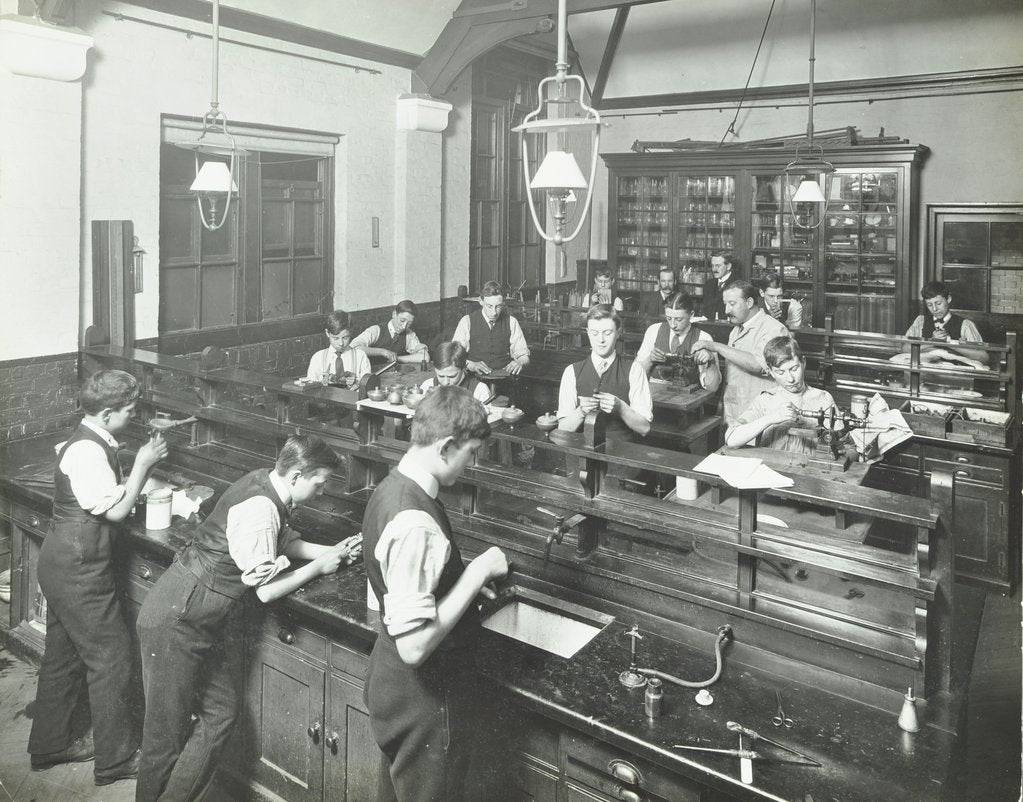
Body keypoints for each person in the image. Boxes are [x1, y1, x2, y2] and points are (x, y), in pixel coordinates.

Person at [135, 435, 360, 802]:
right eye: (320, 484)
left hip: (199, 615)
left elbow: (279, 542)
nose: (322, 493)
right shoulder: (261, 506)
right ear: (297, 475)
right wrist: (319, 567)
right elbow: (266, 590)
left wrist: (334, 551)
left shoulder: (267, 481)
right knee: (165, 734)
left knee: (221, 713)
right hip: (177, 617)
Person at [362, 386, 509, 802]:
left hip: (391, 682)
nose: (472, 464)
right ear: (446, 447)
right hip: (421, 696)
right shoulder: (415, 521)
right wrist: (477, 571)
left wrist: (459, 580)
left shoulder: (393, 488)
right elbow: (414, 646)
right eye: (471, 453)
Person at [27, 369, 168, 786]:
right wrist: (143, 464)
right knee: (113, 659)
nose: (134, 416)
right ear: (107, 413)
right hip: (79, 571)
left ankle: (49, 745)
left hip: (63, 562)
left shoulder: (90, 438)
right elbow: (116, 511)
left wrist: (133, 478)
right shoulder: (87, 452)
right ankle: (116, 760)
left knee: (64, 656)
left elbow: (103, 494)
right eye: (129, 411)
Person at [692, 280, 789, 426]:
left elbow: (759, 364)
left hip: (759, 415)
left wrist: (716, 346)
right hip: (733, 411)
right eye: (726, 304)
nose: (726, 310)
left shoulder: (774, 329)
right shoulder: (736, 330)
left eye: (732, 304)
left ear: (749, 302)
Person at [725, 336, 836, 455]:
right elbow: (731, 439)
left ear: (803, 363)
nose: (790, 379)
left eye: (794, 369)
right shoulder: (766, 400)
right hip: (771, 469)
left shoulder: (823, 399)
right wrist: (771, 418)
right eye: (780, 372)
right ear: (771, 372)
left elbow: (846, 447)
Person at [557, 304, 652, 440]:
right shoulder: (571, 372)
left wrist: (621, 407)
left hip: (620, 455)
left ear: (618, 333)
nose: (600, 340)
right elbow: (564, 429)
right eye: (595, 333)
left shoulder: (635, 370)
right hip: (581, 454)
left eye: (607, 333)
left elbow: (644, 428)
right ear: (588, 333)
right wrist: (581, 411)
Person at [635, 292, 721, 392]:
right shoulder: (653, 331)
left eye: (679, 319)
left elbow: (712, 387)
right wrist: (650, 359)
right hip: (654, 395)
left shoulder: (704, 338)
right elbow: (635, 376)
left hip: (687, 399)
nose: (673, 325)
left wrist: (711, 362)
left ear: (691, 315)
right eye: (669, 318)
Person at [452, 280, 530, 376]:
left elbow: (524, 355)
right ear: (481, 301)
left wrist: (520, 362)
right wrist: (472, 365)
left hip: (504, 377)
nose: (494, 312)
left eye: (498, 306)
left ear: (503, 303)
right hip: (475, 378)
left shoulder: (512, 322)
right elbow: (454, 356)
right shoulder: (467, 321)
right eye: (489, 306)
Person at [904, 281, 987, 364]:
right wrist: (932, 342)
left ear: (948, 299)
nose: (934, 309)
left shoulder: (965, 325)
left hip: (953, 373)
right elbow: (904, 349)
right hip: (925, 372)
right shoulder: (920, 321)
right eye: (929, 305)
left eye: (938, 303)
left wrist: (951, 343)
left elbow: (983, 357)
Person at [352, 299, 430, 367]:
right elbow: (353, 348)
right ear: (394, 314)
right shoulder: (376, 330)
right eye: (402, 320)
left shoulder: (409, 334)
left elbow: (425, 357)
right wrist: (383, 352)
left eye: (409, 323)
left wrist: (397, 359)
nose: (404, 326)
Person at [306, 309, 372, 385]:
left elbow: (367, 386)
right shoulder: (318, 358)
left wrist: (356, 382)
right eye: (335, 338)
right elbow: (310, 387)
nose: (341, 343)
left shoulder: (360, 356)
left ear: (350, 333)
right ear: (327, 333)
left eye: (345, 338)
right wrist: (322, 383)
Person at [420, 341, 492, 404]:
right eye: (441, 376)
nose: (445, 382)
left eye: (452, 376)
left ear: (464, 368)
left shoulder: (479, 390)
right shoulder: (427, 386)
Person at [701, 251, 739, 321]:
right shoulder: (708, 284)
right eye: (712, 265)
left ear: (728, 266)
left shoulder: (737, 285)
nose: (714, 269)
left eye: (718, 266)